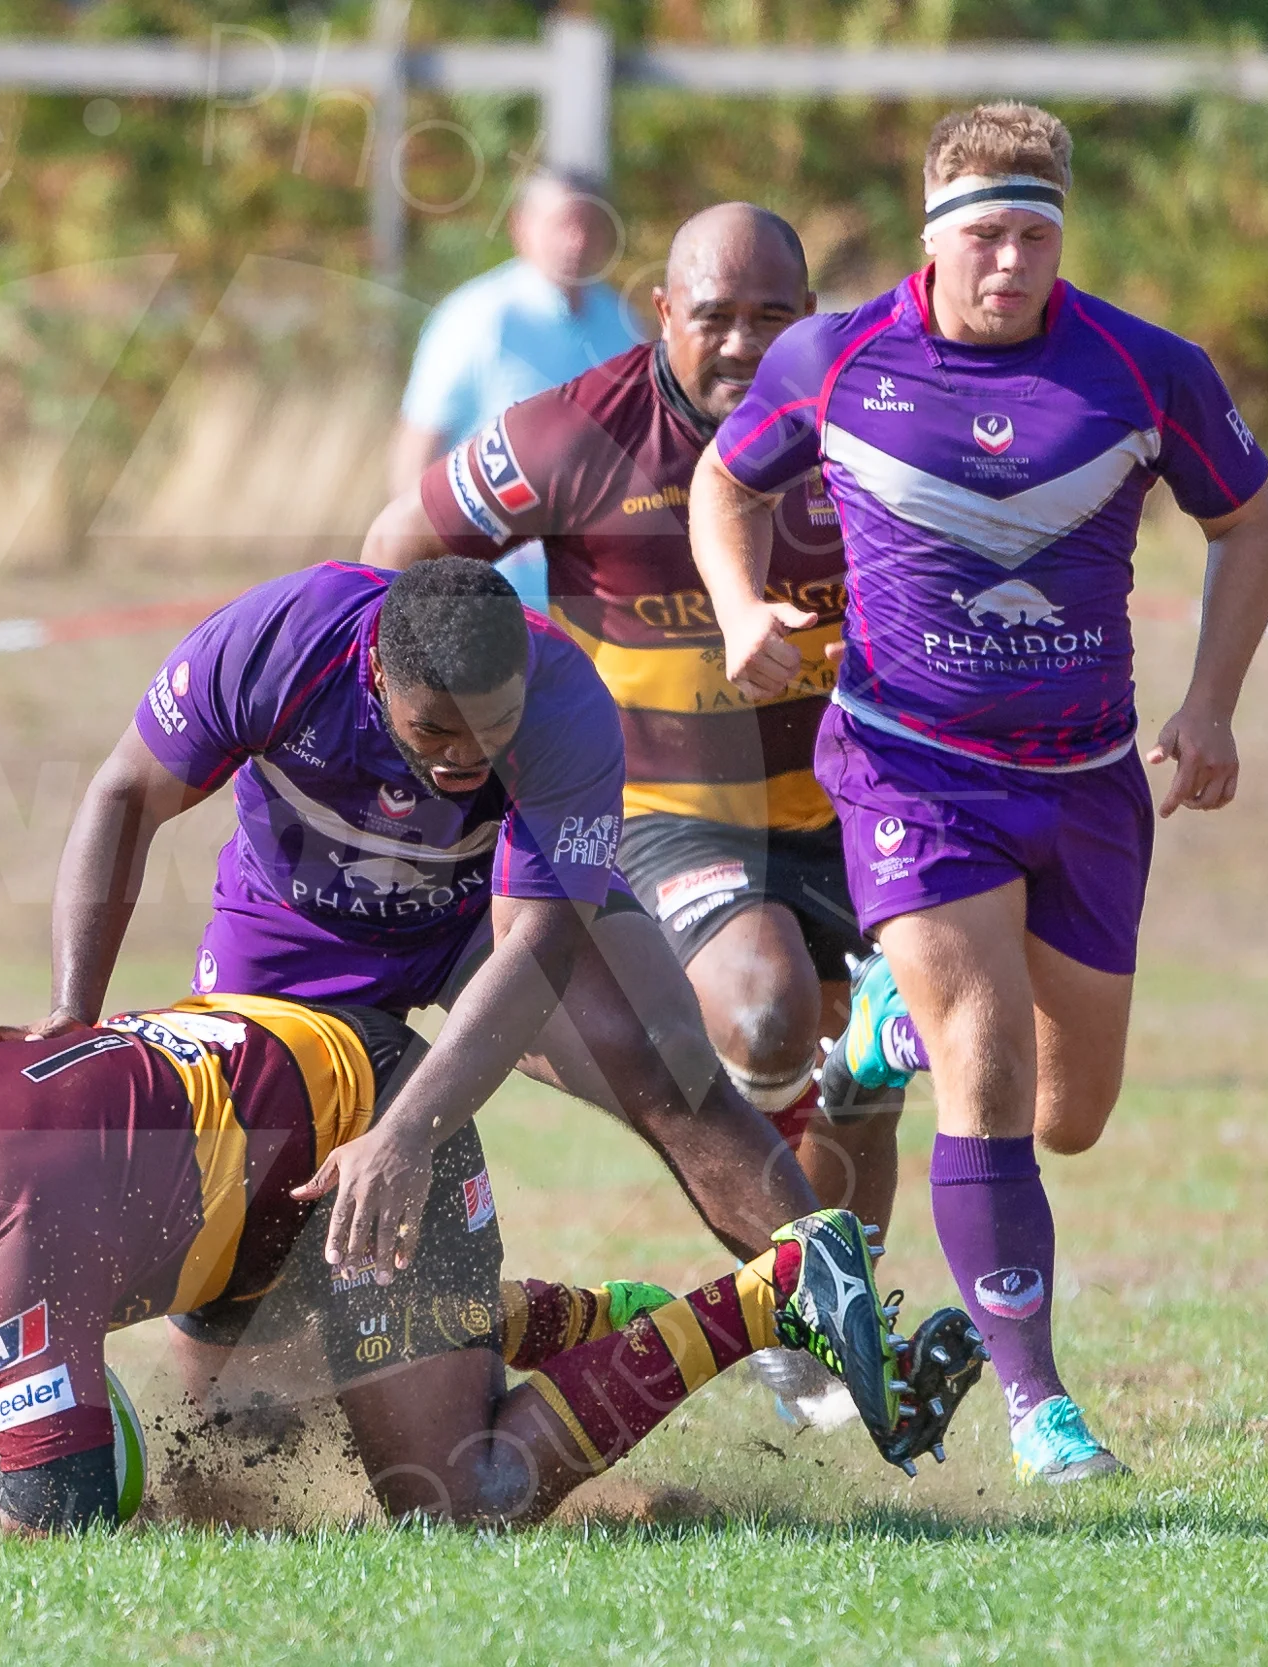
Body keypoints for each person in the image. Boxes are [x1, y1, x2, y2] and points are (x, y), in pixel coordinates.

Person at [689, 103, 1268, 1483]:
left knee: (1073, 1111)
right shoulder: (836, 355)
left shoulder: (1145, 369)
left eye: (1033, 236)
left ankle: (887, 1025)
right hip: (911, 766)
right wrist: (735, 606)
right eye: (985, 237)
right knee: (993, 1069)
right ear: (932, 238)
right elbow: (726, 477)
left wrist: (1210, 703)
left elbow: (1246, 523)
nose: (1009, 263)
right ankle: (1040, 1404)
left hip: (1085, 779)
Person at [0, 995, 974, 1535]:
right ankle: (608, 1318)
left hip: (362, 1135)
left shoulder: (6, 1239)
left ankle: (771, 1292)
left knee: (459, 1496)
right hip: (231, 1164)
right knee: (234, 1441)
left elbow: (58, 1503)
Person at [363, 203, 896, 1431]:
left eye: (774, 318)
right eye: (714, 316)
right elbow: (400, 549)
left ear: (807, 318)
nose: (743, 346)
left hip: (858, 800)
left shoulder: (865, 418)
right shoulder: (570, 431)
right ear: (662, 313)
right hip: (667, 809)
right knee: (763, 1020)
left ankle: (807, 1316)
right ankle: (799, 1311)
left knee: (861, 1080)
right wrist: (477, 713)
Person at [0, 557, 824, 1283]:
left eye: (492, 728)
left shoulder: (565, 700)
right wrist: (73, 1007)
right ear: (381, 678)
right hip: (292, 929)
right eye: (434, 728)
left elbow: (535, 945)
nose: (464, 755)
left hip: (479, 916)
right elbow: (125, 794)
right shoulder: (281, 642)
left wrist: (408, 1130)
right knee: (228, 1191)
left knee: (665, 1058)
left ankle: (832, 1320)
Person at [389, 166, 636, 611]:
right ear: (521, 227)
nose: (576, 241)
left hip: (595, 598)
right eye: (563, 224)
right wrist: (418, 581)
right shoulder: (478, 318)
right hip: (488, 596)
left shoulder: (620, 321)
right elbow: (418, 446)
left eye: (589, 224)